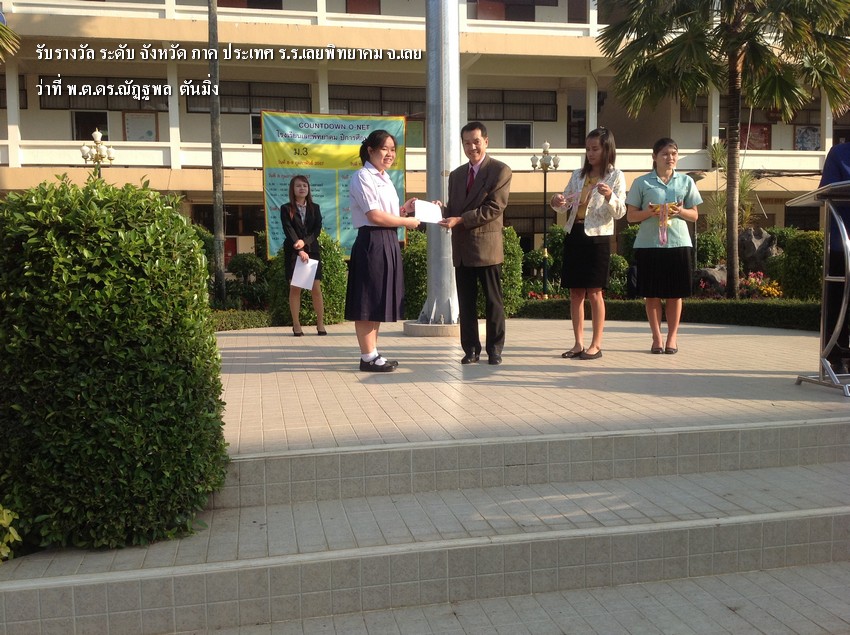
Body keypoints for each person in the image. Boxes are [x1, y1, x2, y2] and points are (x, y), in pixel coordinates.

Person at [345, 129, 420, 372]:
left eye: (393, 149)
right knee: (367, 300)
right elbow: (374, 215)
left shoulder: (385, 177)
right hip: (372, 241)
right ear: (370, 150)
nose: (390, 154)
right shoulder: (362, 176)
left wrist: (404, 210)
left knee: (377, 299)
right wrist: (406, 222)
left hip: (388, 239)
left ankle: (373, 353)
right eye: (384, 148)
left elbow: (387, 213)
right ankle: (367, 357)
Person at [439, 122, 512, 365]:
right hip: (462, 248)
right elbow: (455, 209)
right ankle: (470, 349)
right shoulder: (457, 175)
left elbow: (494, 208)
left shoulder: (500, 170)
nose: (472, 147)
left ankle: (495, 349)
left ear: (486, 142)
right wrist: (441, 210)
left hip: (487, 248)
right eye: (467, 143)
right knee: (466, 303)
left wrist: (460, 219)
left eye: (476, 142)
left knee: (493, 302)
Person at [550, 127, 626, 360]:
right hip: (575, 234)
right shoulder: (577, 175)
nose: (590, 153)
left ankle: (596, 344)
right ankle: (578, 344)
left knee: (595, 292)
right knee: (575, 292)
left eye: (595, 149)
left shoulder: (615, 176)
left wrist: (609, 195)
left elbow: (620, 212)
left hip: (598, 237)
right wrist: (556, 201)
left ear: (607, 149)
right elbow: (564, 204)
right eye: (588, 149)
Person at [625, 137, 702, 354]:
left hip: (678, 243)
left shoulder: (686, 181)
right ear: (654, 157)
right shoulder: (641, 182)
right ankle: (657, 338)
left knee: (675, 294)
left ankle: (672, 338)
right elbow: (631, 216)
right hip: (649, 244)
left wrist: (680, 211)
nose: (670, 158)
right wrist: (649, 212)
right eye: (665, 154)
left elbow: (694, 215)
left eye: (674, 154)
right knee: (651, 294)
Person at [280, 175, 325, 336]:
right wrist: (299, 249)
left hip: (312, 251)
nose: (302, 188)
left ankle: (320, 323)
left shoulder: (315, 208)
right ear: (293, 189)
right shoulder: (286, 208)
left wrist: (304, 243)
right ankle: (296, 324)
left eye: (305, 186)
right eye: (298, 186)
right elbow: (288, 229)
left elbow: (317, 229)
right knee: (295, 288)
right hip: (294, 252)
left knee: (316, 288)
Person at [819, 141, 850, 374]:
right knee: (839, 303)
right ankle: (837, 358)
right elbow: (825, 193)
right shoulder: (840, 154)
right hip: (844, 246)